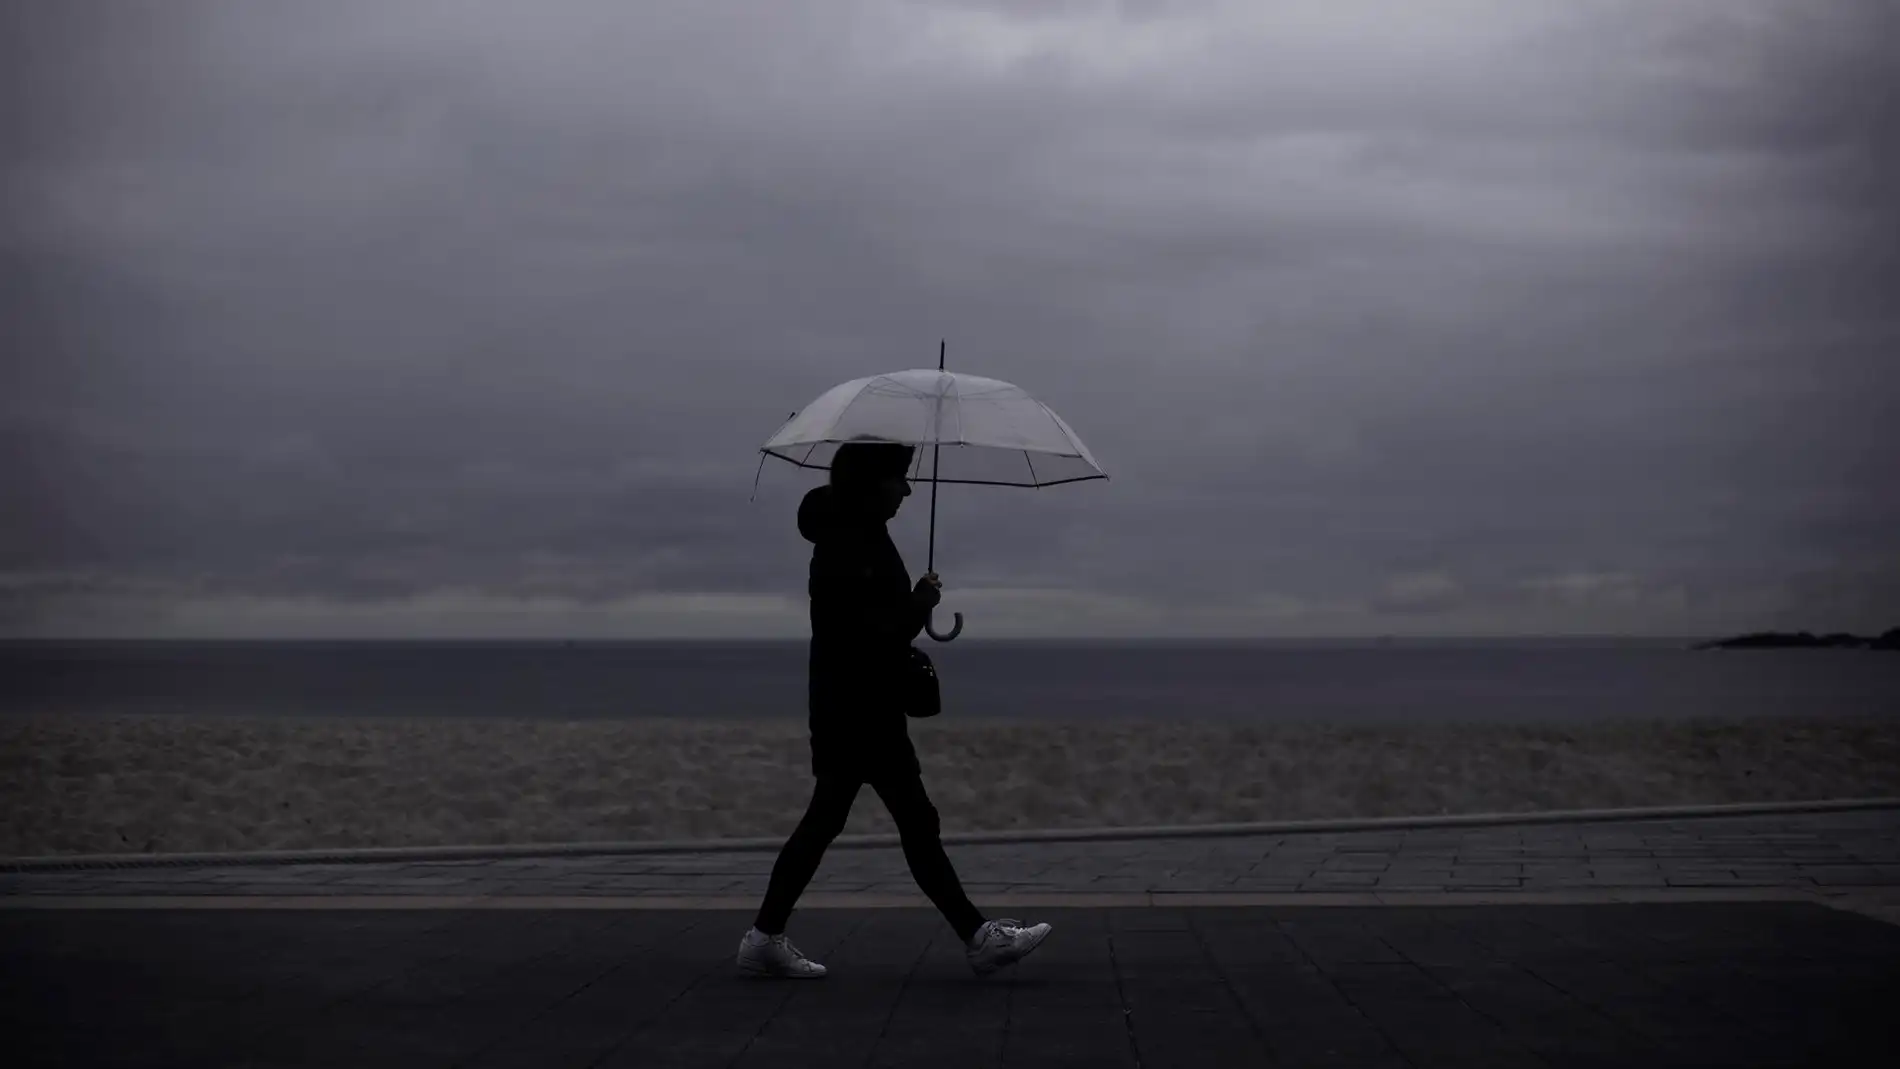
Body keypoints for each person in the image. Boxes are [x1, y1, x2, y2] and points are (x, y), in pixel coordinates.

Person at [737, 439, 1051, 979]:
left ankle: (764, 936)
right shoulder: (846, 548)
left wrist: (912, 600)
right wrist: (919, 605)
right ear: (870, 483)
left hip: (852, 707)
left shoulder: (860, 538)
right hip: (859, 711)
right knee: (907, 822)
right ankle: (979, 939)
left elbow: (870, 624)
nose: (907, 489)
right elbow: (869, 637)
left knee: (839, 821)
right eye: (898, 479)